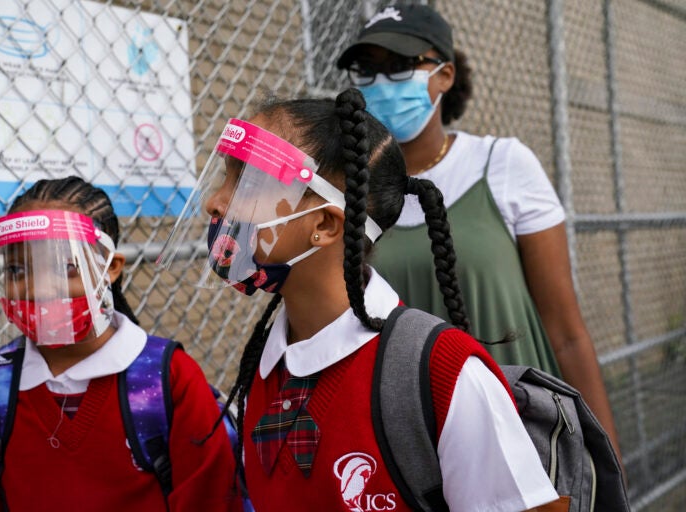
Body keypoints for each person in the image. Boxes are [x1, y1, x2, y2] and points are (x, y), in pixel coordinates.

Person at [157, 88, 562, 511]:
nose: (214, 201)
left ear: (325, 225)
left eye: (247, 182)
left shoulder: (442, 374)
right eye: (225, 176)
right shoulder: (267, 364)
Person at [335, 3, 623, 462]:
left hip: (524, 436)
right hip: (415, 453)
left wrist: (606, 458)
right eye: (366, 70)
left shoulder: (502, 164)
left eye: (401, 66)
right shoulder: (351, 193)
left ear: (445, 75)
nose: (382, 84)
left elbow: (567, 332)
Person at [0, 176, 242, 512]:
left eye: (67, 266)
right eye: (16, 269)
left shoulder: (170, 381)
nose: (40, 286)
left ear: (110, 268)